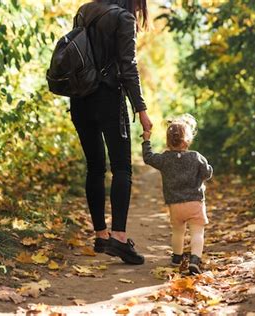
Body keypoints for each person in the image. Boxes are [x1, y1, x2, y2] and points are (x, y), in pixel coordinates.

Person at [69, 0, 152, 265]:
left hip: (79, 98)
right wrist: (141, 109)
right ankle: (118, 237)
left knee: (94, 168)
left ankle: (101, 234)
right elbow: (128, 67)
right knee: (122, 168)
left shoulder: (84, 10)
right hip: (108, 98)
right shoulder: (124, 18)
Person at [141, 115, 213, 274]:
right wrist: (203, 172)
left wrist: (146, 140)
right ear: (187, 140)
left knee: (178, 231)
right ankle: (195, 260)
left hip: (175, 205)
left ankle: (177, 258)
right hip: (195, 202)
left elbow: (148, 158)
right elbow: (207, 173)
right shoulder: (196, 157)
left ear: (168, 141)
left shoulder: (165, 159)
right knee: (197, 232)